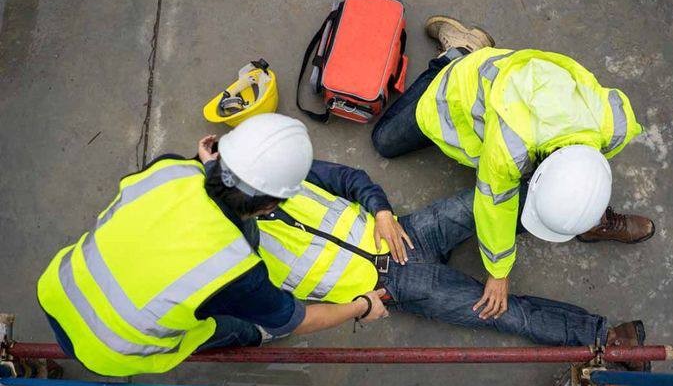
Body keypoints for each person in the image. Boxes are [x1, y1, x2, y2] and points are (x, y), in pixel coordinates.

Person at [36, 114, 388, 377]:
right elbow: (298, 320)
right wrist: (361, 306)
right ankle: (251, 335)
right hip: (111, 349)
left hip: (58, 287)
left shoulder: (170, 168)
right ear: (269, 207)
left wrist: (207, 168)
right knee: (242, 326)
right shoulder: (237, 269)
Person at [372, 15, 655, 322]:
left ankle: (591, 221)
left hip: (513, 90)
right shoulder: (509, 148)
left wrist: (584, 205)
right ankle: (459, 52)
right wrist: (499, 272)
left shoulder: (614, 124)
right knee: (385, 141)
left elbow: (587, 173)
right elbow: (494, 206)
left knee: (563, 191)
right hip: (456, 91)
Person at [254, 156, 648, 369]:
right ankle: (607, 338)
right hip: (392, 287)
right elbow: (285, 320)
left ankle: (583, 218)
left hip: (406, 231)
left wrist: (382, 212)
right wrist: (361, 307)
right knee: (504, 313)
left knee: (493, 202)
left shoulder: (269, 171)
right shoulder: (236, 264)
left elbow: (349, 179)